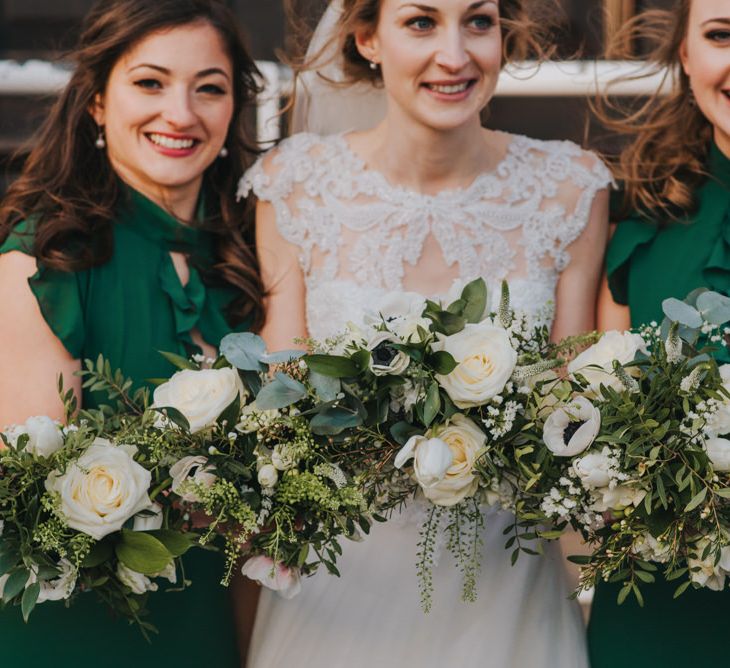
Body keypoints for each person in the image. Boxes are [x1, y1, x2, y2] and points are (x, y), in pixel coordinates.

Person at [241, 1, 611, 666]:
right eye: (420, 22)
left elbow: (571, 400)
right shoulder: (296, 186)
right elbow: (281, 386)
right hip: (339, 587)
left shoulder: (570, 188)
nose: (455, 54)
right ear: (367, 39)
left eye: (478, 21)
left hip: (505, 579)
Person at [0, 0, 263, 665]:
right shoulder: (45, 259)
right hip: (77, 630)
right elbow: (34, 487)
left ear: (234, 110)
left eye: (209, 88)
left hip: (209, 622)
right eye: (150, 83)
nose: (180, 113)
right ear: (95, 101)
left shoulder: (255, 260)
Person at [592, 0, 730, 665]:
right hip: (657, 607)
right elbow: (594, 408)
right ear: (685, 54)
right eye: (721, 35)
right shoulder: (642, 214)